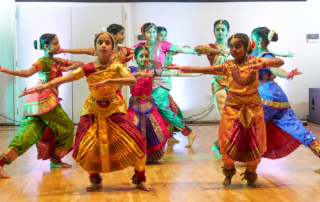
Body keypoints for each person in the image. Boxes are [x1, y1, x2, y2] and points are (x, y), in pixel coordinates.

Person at [20, 32, 154, 192]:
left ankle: (140, 179)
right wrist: (42, 86)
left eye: (107, 43)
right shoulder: (89, 68)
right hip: (92, 109)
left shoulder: (118, 66)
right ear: (95, 47)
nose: (104, 45)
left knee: (138, 141)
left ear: (112, 48)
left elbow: (132, 80)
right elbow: (65, 79)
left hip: (114, 107)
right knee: (85, 146)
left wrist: (112, 81)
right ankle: (95, 179)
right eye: (100, 43)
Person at [167, 33, 285, 188]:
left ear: (246, 47)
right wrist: (182, 68)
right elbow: (204, 69)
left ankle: (251, 176)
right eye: (232, 47)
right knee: (228, 140)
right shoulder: (228, 65)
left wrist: (262, 65)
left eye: (238, 46)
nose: (234, 49)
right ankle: (228, 174)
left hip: (254, 109)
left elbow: (280, 61)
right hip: (233, 109)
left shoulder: (255, 60)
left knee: (255, 142)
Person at [0, 33, 83, 178]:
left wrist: (71, 65)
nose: (59, 46)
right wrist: (8, 71)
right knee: (68, 127)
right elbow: (26, 73)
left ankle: (1, 161)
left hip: (38, 102)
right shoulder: (43, 61)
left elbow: (81, 64)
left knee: (28, 134)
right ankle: (55, 158)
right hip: (45, 99)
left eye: (58, 43)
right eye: (56, 43)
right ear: (46, 46)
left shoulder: (57, 61)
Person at [250, 27, 320, 171]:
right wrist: (287, 74)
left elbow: (274, 69)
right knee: (296, 128)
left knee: (248, 125)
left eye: (251, 38)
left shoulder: (263, 56)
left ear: (259, 40)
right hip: (279, 97)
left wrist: (286, 74)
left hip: (264, 97)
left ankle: (247, 160)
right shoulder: (260, 54)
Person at [134, 23, 197, 147]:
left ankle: (187, 132)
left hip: (162, 81)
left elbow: (181, 49)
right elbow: (127, 53)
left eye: (153, 32)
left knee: (161, 107)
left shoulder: (162, 45)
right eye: (149, 32)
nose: (152, 35)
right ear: (144, 34)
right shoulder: (140, 46)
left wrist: (196, 51)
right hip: (147, 82)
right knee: (151, 109)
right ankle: (151, 139)